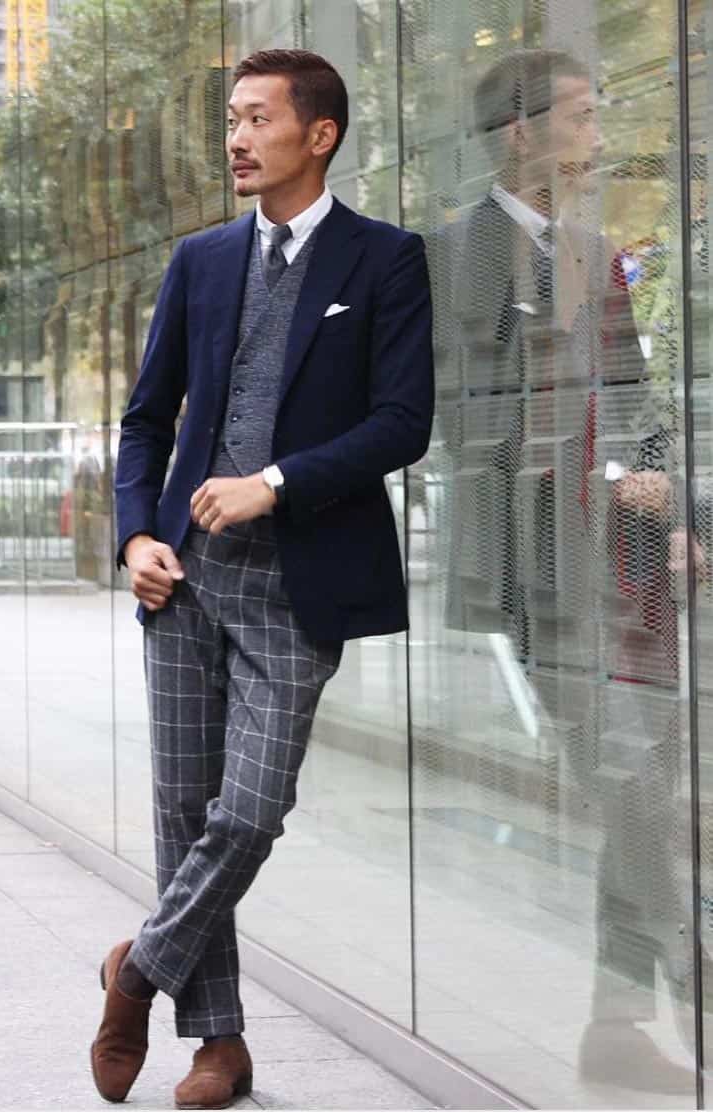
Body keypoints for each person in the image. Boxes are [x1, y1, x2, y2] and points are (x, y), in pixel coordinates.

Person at [92, 48, 434, 1109]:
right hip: (183, 582)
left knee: (248, 809)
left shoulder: (384, 259)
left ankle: (136, 966)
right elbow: (148, 421)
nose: (235, 138)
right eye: (229, 120)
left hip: (299, 575)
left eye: (255, 119)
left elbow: (401, 423)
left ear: (317, 133)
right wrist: (135, 535)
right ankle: (220, 1042)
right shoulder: (199, 260)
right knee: (182, 808)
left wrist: (273, 483)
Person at [430, 48, 700, 1095]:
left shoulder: (596, 252)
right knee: (630, 783)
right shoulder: (459, 258)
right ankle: (683, 973)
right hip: (537, 568)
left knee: (648, 782)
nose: (597, 138)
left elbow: (639, 402)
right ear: (521, 133)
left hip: (625, 562)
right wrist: (600, 470)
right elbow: (470, 425)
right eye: (582, 119)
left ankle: (616, 1022)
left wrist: (659, 493)